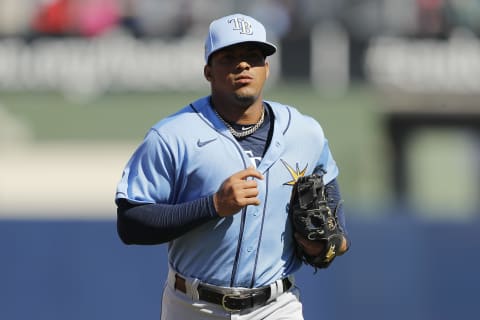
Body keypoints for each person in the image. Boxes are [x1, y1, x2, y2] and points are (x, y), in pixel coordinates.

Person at [115, 13, 349, 320]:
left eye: (253, 56)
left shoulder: (305, 133)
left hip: (277, 305)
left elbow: (336, 223)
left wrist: (325, 248)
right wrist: (212, 205)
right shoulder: (173, 135)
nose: (242, 65)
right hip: (194, 305)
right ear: (208, 71)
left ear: (266, 68)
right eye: (229, 57)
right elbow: (131, 222)